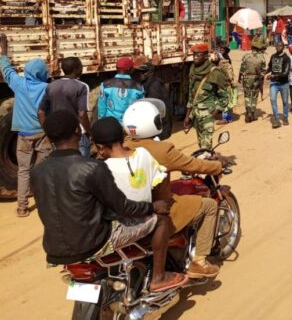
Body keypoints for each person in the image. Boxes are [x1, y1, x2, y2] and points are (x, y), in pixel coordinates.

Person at [32, 110, 183, 292]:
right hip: (95, 243)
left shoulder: (37, 171)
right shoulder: (92, 167)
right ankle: (159, 278)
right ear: (78, 132)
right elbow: (124, 207)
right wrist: (153, 206)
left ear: (48, 138)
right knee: (162, 221)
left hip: (54, 249)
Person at [122, 100, 226, 278]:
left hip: (128, 210)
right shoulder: (163, 150)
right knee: (209, 206)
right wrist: (217, 166)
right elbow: (194, 165)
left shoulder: (122, 146)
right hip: (157, 209)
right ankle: (199, 262)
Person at [91, 116, 188, 291]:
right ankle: (158, 277)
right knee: (163, 220)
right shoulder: (143, 154)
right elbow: (161, 178)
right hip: (139, 222)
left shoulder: (101, 169)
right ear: (123, 136)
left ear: (99, 147)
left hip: (112, 227)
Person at [0, 33, 50, 217]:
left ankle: (22, 207)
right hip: (43, 134)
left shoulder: (20, 84)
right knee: (41, 169)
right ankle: (44, 202)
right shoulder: (47, 88)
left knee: (23, 170)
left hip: (23, 135)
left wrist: (3, 51)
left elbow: (7, 70)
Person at [38, 56, 92, 157]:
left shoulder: (51, 86)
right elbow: (82, 114)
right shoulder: (82, 86)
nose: (82, 69)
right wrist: (90, 132)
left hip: (58, 136)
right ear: (76, 70)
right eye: (81, 66)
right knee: (82, 169)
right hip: (76, 135)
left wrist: (49, 131)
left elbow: (40, 112)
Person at [185, 43, 229, 149]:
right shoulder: (193, 70)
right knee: (201, 145)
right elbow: (192, 95)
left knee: (206, 147)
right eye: (194, 55)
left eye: (198, 55)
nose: (195, 57)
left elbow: (224, 96)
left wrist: (215, 113)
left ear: (205, 56)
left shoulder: (215, 72)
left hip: (208, 116)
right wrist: (187, 115)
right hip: (196, 115)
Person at [97, 56, 144, 123]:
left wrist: (101, 122)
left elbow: (102, 107)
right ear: (130, 69)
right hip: (130, 124)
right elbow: (141, 108)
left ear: (116, 68)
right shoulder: (139, 87)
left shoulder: (105, 85)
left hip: (111, 124)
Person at [133, 62, 173, 139]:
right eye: (139, 72)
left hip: (160, 125)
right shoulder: (148, 82)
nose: (140, 74)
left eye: (143, 72)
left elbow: (153, 108)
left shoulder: (154, 85)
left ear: (150, 72)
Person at [238, 38, 266, 123]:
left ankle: (248, 112)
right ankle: (252, 113)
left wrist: (239, 78)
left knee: (247, 96)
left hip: (246, 78)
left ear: (251, 48)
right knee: (254, 96)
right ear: (258, 49)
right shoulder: (261, 57)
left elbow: (241, 69)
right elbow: (263, 71)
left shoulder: (246, 56)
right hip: (256, 79)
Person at [265, 41, 291, 128]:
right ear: (275, 46)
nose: (278, 47)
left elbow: (286, 73)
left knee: (285, 102)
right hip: (274, 83)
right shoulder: (273, 56)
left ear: (283, 47)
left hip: (284, 83)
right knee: (272, 100)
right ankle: (276, 119)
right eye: (277, 45)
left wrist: (272, 75)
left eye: (280, 45)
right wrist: (264, 72)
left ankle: (285, 117)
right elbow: (270, 67)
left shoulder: (287, 58)